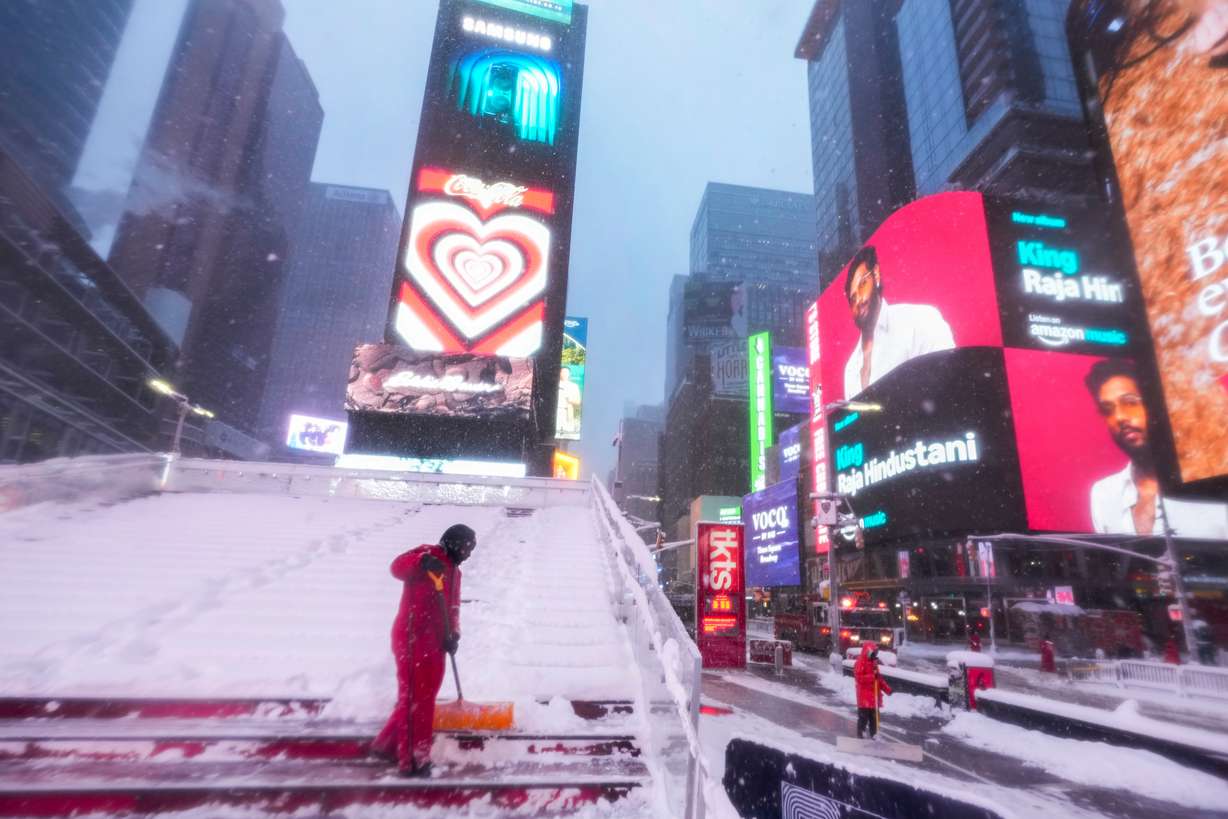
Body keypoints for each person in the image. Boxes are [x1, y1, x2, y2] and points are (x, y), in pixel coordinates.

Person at [370, 524, 477, 776]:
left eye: (471, 549)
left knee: (425, 698)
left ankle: (386, 745)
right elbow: (397, 567)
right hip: (412, 637)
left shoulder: (455, 572)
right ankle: (412, 759)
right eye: (466, 547)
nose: (468, 553)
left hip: (436, 643)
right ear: (452, 542)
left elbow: (452, 608)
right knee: (413, 701)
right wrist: (422, 562)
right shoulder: (429, 554)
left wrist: (454, 634)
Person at [1085, 359, 1228, 537]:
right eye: (1107, 410)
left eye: (1131, 402)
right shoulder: (1104, 495)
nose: (1120, 417)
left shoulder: (1212, 482)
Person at [842, 245, 954, 400]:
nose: (859, 300)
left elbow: (950, 382)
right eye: (852, 298)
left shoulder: (920, 321)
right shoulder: (851, 368)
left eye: (862, 284)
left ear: (876, 274)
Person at [853, 643, 892, 739]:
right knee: (863, 719)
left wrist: (887, 689)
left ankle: (874, 735)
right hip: (864, 698)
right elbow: (859, 678)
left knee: (874, 720)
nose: (874, 655)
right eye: (873, 653)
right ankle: (860, 734)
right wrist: (871, 677)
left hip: (874, 698)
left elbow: (878, 679)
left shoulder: (874, 664)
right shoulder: (860, 662)